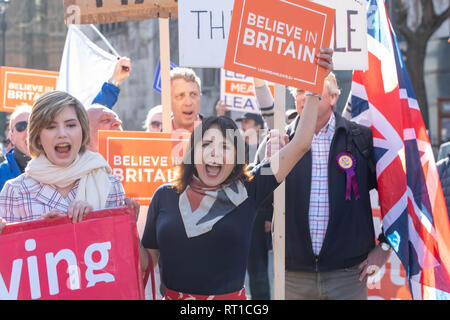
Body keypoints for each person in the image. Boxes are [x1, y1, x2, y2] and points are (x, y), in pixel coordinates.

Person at [139, 48, 333, 300]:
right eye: (206, 144)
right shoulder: (164, 196)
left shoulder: (248, 189)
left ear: (238, 156)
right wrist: (123, 226)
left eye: (224, 147)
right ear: (192, 152)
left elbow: (300, 143)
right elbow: (146, 263)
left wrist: (315, 86)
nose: (214, 154)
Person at [267, 72, 392, 300]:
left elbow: (396, 197)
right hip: (292, 277)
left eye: (313, 90)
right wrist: (268, 164)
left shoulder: (361, 139)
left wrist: (385, 247)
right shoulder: (279, 141)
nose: (306, 97)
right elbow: (257, 199)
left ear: (334, 98)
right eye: (300, 92)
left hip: (348, 277)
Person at [0, 91, 137, 228]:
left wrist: (96, 219)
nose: (62, 134)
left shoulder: (110, 184)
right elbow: (9, 248)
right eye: (51, 127)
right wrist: (37, 231)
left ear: (82, 132)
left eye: (70, 125)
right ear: (38, 137)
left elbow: (121, 247)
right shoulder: (15, 191)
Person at [0, 105, 32, 191]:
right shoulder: (1, 172)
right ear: (11, 137)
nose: (29, 130)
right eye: (21, 126)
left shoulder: (56, 170)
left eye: (33, 124)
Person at [170, 67, 202, 133]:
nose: (188, 103)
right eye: (180, 96)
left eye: (193, 94)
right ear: (169, 101)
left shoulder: (217, 138)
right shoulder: (155, 140)